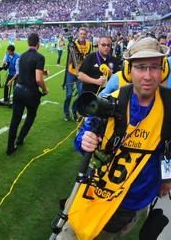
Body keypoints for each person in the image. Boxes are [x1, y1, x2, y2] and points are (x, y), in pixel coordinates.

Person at [58, 36, 171, 239]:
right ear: (129, 70)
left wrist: (167, 178)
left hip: (132, 203)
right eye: (140, 67)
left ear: (162, 69)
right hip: (96, 195)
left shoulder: (170, 106)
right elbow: (82, 138)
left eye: (154, 67)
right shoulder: (111, 102)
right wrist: (85, 141)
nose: (147, 75)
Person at [6, 33, 49, 155]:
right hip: (31, 93)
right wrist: (45, 89)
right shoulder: (40, 57)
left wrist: (42, 71)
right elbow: (38, 80)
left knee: (15, 119)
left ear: (28, 43)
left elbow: (25, 71)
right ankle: (20, 139)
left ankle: (10, 146)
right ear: (38, 44)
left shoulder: (21, 56)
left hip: (18, 90)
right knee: (30, 115)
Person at [77, 36, 121, 113]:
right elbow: (80, 75)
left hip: (107, 99)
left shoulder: (114, 60)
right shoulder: (90, 57)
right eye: (103, 45)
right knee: (88, 120)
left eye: (108, 45)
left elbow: (120, 79)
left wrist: (111, 74)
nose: (106, 47)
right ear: (98, 45)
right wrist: (96, 81)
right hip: (90, 96)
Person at [63, 28, 92, 122]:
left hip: (81, 73)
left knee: (81, 94)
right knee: (69, 94)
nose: (82, 36)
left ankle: (74, 110)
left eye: (84, 34)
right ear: (78, 34)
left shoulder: (89, 45)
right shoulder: (73, 45)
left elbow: (88, 59)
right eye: (81, 34)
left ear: (86, 35)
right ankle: (66, 113)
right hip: (71, 72)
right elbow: (70, 60)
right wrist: (71, 50)